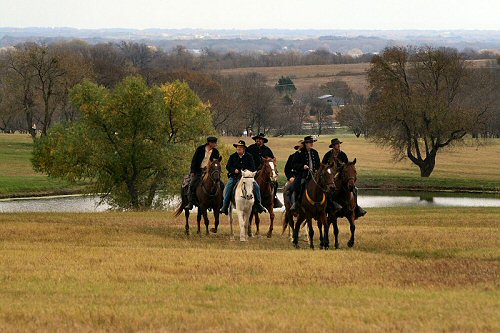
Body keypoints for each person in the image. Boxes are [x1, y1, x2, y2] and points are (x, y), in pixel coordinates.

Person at [220, 140, 267, 215]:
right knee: (228, 187)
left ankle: (259, 204)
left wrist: (246, 172)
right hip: (235, 177)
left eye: (240, 147)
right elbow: (228, 166)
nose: (238, 149)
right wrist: (233, 170)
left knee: (256, 186)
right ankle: (225, 206)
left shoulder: (249, 156)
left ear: (244, 148)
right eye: (237, 147)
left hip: (247, 177)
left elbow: (253, 168)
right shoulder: (233, 156)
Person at [322, 138, 366, 218]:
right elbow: (323, 166)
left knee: (354, 189)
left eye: (339, 144)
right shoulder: (327, 155)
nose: (338, 145)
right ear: (333, 146)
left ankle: (356, 208)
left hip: (340, 176)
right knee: (326, 191)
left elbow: (347, 166)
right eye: (336, 144)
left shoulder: (343, 155)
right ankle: (327, 208)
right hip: (330, 176)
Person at [185, 136, 221, 210]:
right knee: (192, 184)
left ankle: (220, 202)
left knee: (221, 184)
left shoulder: (216, 152)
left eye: (215, 143)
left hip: (210, 172)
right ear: (209, 143)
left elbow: (216, 162)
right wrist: (192, 171)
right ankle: (191, 202)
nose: (215, 144)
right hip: (198, 171)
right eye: (214, 143)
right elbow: (194, 160)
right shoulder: (200, 149)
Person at [247, 133, 282, 208]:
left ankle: (274, 198)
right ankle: (248, 198)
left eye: (260, 139)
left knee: (275, 183)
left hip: (265, 171)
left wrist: (274, 170)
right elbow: (246, 158)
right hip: (253, 170)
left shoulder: (267, 150)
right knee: (248, 182)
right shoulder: (250, 148)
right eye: (257, 139)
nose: (258, 140)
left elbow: (272, 161)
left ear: (263, 141)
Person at [290, 136, 321, 212]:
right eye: (310, 142)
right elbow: (294, 164)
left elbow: (318, 164)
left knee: (324, 185)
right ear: (306, 144)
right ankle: (295, 203)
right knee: (297, 186)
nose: (311, 144)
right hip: (303, 174)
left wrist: (317, 169)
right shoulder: (299, 153)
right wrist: (302, 166)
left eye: (312, 142)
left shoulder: (315, 152)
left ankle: (327, 203)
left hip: (314, 175)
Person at [284, 140, 303, 206]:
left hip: (305, 176)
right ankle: (291, 204)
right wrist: (290, 177)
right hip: (294, 176)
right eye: (299, 147)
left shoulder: (307, 156)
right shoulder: (292, 157)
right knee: (288, 187)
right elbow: (287, 169)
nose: (300, 149)